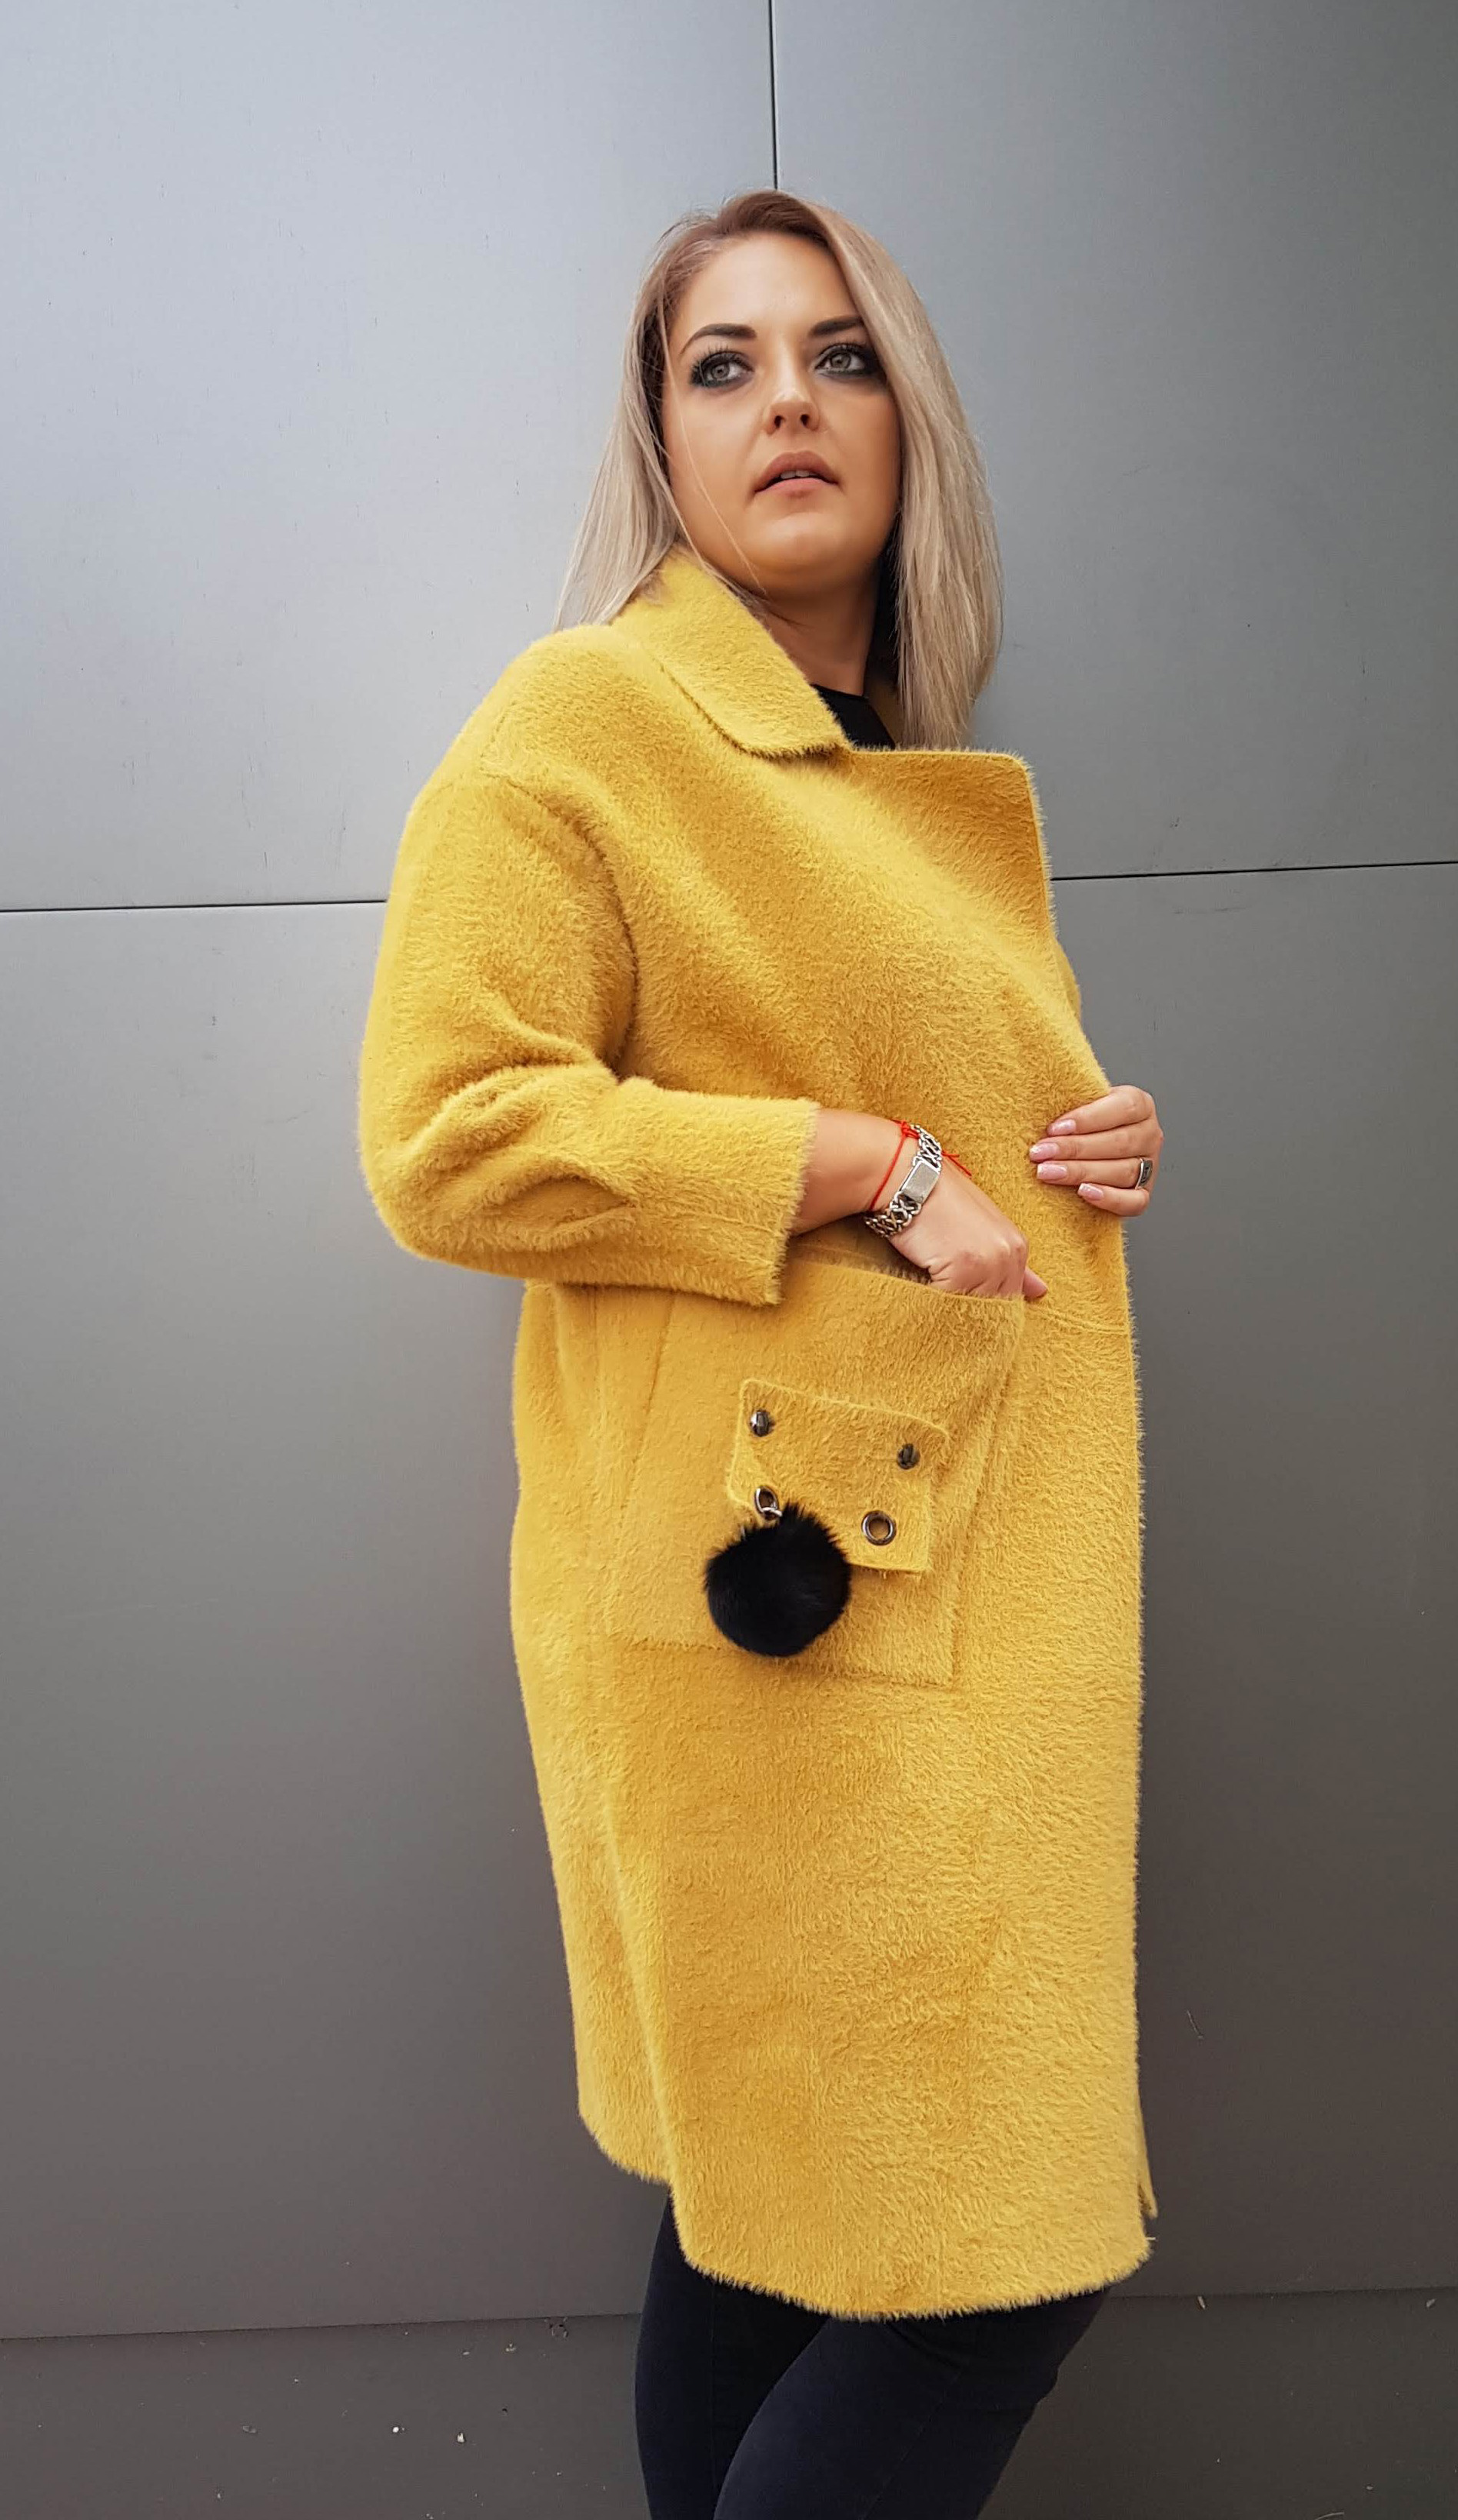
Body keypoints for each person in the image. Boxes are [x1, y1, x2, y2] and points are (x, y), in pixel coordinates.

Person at [358, 186, 1165, 2516]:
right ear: (664, 441)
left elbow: (925, 1128)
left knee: (778, 2218)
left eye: (838, 355)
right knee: (979, 2261)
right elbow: (451, 1135)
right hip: (795, 1628)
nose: (786, 402)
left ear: (909, 423)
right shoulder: (591, 719)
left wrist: (1070, 1145)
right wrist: (869, 1163)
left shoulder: (877, 754)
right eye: (723, 365)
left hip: (939, 1600)